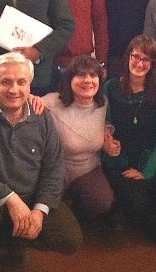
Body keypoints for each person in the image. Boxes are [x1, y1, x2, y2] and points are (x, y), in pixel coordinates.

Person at [0, 52, 82, 272]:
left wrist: (39, 211)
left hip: (30, 198)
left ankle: (18, 241)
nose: (14, 89)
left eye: (21, 82)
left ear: (29, 86)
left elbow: (54, 168)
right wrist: (10, 199)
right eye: (6, 82)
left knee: (70, 238)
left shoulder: (42, 117)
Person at [102, 35, 156, 242]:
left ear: (153, 63)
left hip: (151, 158)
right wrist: (107, 142)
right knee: (137, 202)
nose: (140, 64)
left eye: (146, 59)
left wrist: (146, 172)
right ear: (128, 57)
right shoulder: (110, 87)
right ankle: (122, 209)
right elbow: (105, 126)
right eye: (135, 57)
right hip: (121, 160)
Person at [42, 55, 116, 222]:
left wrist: (108, 140)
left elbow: (103, 125)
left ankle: (75, 220)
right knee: (45, 204)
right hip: (55, 168)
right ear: (69, 79)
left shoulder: (102, 103)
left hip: (89, 168)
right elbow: (25, 103)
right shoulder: (52, 101)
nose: (87, 80)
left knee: (103, 201)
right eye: (81, 75)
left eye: (93, 75)